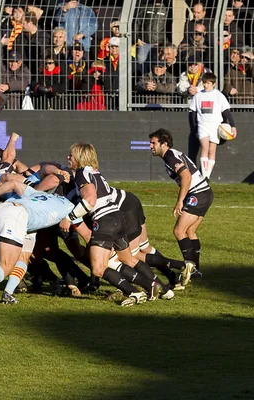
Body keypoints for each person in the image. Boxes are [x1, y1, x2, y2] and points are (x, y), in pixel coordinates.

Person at [59, 143, 158, 306]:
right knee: (127, 259)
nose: (68, 157)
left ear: (80, 157)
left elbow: (90, 200)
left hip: (105, 221)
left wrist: (69, 218)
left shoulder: (82, 173)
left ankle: (134, 293)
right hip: (118, 218)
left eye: (71, 155)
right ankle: (152, 285)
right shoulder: (94, 172)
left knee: (98, 268)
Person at [0, 180, 75, 306]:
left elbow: (13, 182)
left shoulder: (37, 193)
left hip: (6, 213)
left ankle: (7, 293)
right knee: (6, 266)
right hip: (17, 216)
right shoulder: (69, 206)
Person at [149, 129, 214, 284]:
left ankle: (188, 269)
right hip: (205, 192)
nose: (150, 146)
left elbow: (186, 176)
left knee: (179, 231)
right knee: (190, 231)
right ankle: (195, 271)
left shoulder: (170, 156)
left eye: (153, 143)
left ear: (164, 144)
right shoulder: (171, 155)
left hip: (198, 194)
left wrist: (180, 201)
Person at [188, 72, 237, 179]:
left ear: (213, 84)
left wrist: (233, 126)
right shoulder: (198, 95)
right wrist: (194, 128)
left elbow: (226, 112)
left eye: (208, 83)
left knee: (212, 150)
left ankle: (207, 176)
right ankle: (203, 175)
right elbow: (192, 112)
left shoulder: (219, 96)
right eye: (204, 83)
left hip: (215, 126)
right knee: (204, 148)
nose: (206, 85)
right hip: (202, 125)